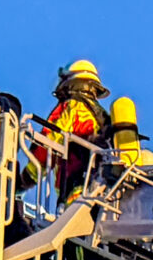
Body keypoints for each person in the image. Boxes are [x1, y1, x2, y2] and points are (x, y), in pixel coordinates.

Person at [43, 59, 109, 199]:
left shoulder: (70, 107)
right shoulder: (103, 117)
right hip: (102, 188)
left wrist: (22, 182)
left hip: (77, 187)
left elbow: (45, 144)